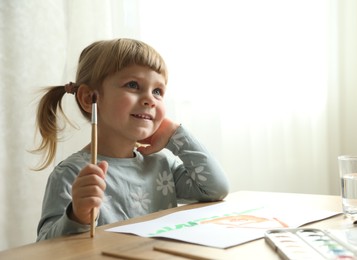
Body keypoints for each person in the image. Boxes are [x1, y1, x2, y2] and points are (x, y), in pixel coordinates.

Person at [34, 38, 229, 241]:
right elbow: (46, 246)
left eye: (157, 91)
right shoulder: (71, 174)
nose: (150, 99)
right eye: (133, 85)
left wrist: (174, 133)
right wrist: (77, 216)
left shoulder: (161, 165)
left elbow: (215, 189)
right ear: (88, 98)